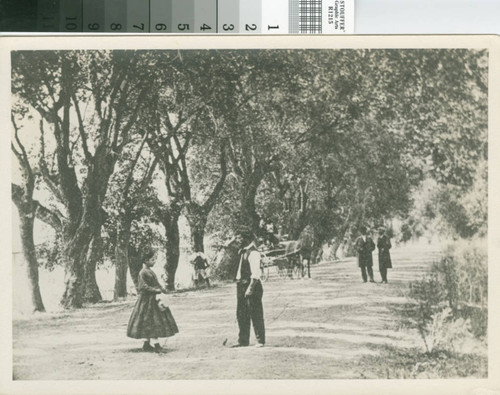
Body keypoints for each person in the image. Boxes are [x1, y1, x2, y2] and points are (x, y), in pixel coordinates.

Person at [127, 248, 179, 353]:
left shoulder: (150, 271)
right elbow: (142, 287)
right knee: (152, 322)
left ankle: (146, 344)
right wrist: (156, 290)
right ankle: (156, 345)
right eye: (152, 260)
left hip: (153, 299)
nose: (154, 262)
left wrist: (163, 290)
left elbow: (156, 284)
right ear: (146, 260)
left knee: (149, 322)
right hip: (147, 301)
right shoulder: (143, 272)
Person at [231, 226, 266, 348]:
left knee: (255, 313)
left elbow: (256, 274)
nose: (237, 240)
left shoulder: (254, 253)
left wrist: (250, 288)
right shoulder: (242, 251)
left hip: (251, 285)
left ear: (246, 238)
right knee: (241, 314)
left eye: (239, 237)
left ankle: (260, 340)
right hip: (241, 285)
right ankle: (243, 340)